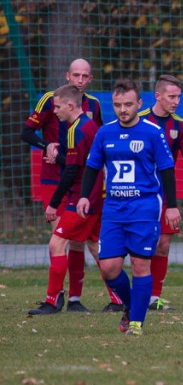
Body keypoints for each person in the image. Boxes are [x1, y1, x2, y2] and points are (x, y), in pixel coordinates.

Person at [76, 78, 179, 336]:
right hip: (113, 209)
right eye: (118, 105)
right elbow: (92, 167)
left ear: (139, 104)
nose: (123, 110)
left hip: (144, 208)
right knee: (109, 267)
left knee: (140, 264)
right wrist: (84, 196)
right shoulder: (105, 132)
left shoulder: (153, 133)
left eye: (128, 104)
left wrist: (172, 206)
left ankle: (136, 323)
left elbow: (167, 170)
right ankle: (133, 306)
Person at [21, 59, 122, 313]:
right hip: (55, 179)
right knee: (66, 239)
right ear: (67, 75)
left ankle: (71, 299)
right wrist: (47, 146)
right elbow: (26, 132)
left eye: (84, 76)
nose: (79, 79)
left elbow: (91, 152)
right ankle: (62, 295)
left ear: (90, 79)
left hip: (78, 182)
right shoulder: (51, 100)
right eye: (75, 74)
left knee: (72, 241)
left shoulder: (91, 110)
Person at [27, 85, 104, 314]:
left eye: (58, 107)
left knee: (57, 243)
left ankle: (52, 302)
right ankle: (122, 297)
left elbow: (71, 171)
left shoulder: (76, 130)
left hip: (81, 199)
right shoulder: (88, 127)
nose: (56, 111)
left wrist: (54, 202)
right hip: (91, 197)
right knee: (96, 247)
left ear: (70, 106)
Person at [139, 74, 183, 309]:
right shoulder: (139, 121)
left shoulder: (180, 125)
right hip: (139, 193)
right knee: (140, 244)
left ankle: (153, 298)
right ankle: (132, 294)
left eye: (179, 96)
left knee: (163, 244)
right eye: (172, 96)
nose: (176, 101)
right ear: (157, 96)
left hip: (165, 193)